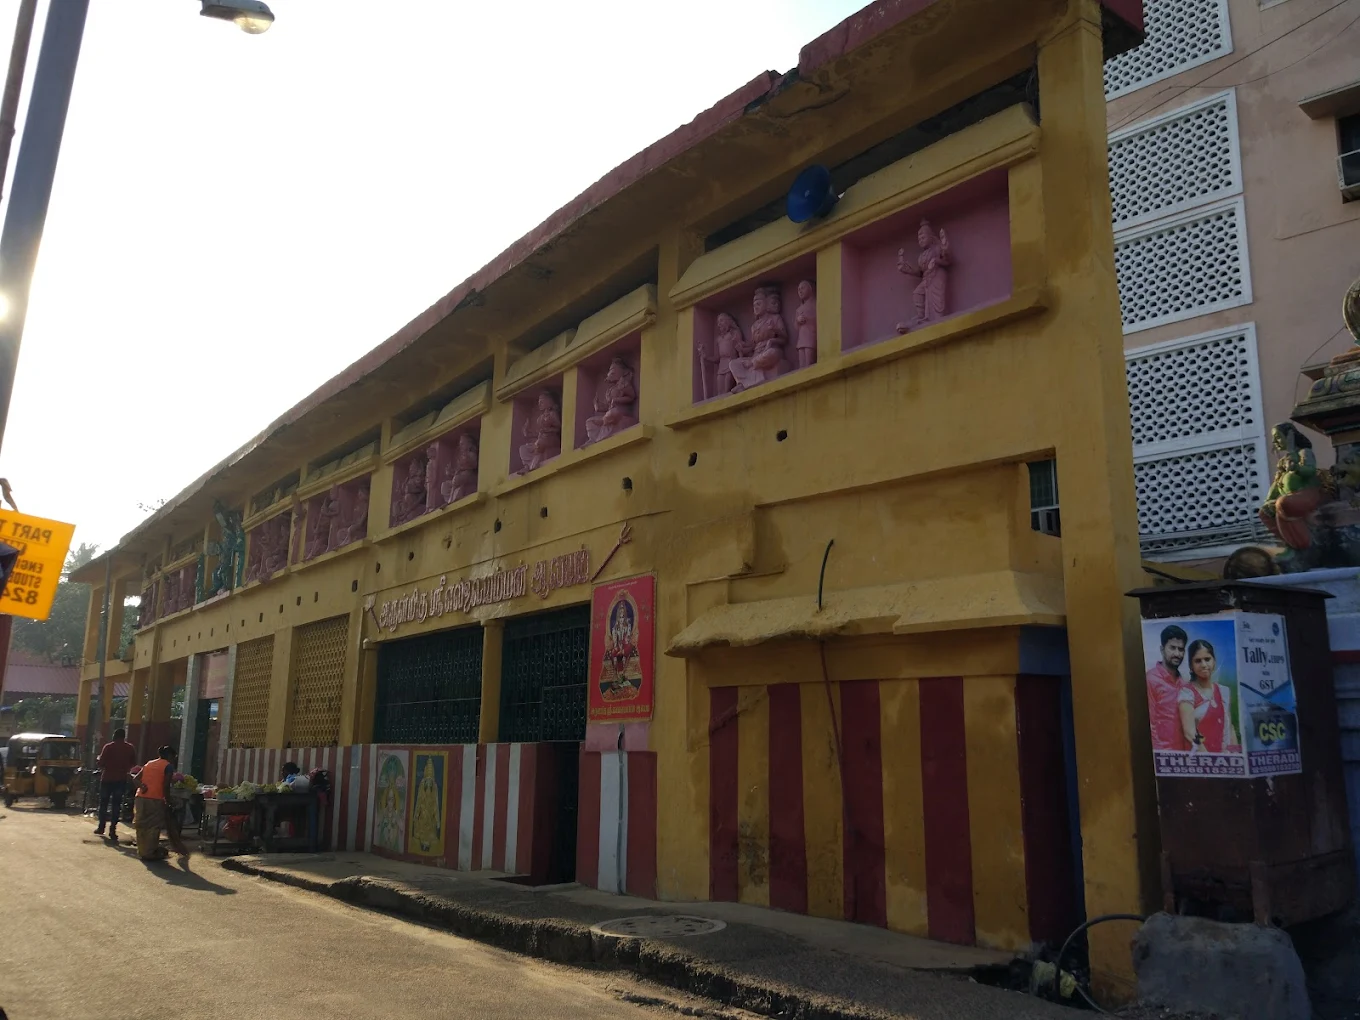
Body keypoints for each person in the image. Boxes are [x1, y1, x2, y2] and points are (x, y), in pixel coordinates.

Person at [1178, 639, 1241, 755]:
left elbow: (1229, 727)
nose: (1204, 665)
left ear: (1214, 661)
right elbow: (1189, 732)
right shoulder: (1187, 693)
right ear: (1191, 666)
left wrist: (1236, 755)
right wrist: (1209, 759)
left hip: (1224, 759)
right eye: (1198, 661)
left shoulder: (1224, 691)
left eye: (1207, 659)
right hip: (1200, 759)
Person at [134, 745, 187, 862]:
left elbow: (135, 779)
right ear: (169, 756)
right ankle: (150, 852)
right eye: (174, 757)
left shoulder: (149, 764)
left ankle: (142, 850)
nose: (174, 759)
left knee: (141, 825)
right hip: (155, 799)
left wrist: (142, 786)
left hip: (140, 797)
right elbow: (166, 785)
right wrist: (168, 801)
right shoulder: (168, 766)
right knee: (153, 826)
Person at [1146, 625, 1189, 752]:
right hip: (1162, 755)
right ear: (1162, 649)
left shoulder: (1185, 684)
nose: (1177, 654)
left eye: (1181, 649)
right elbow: (1150, 723)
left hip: (1185, 755)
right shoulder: (1151, 679)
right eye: (1172, 648)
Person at [94, 727, 137, 841]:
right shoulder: (130, 748)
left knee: (103, 803)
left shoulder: (108, 747)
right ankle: (113, 830)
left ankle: (101, 827)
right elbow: (133, 763)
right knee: (116, 805)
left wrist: (99, 760)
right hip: (121, 779)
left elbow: (101, 762)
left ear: (115, 736)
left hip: (107, 778)